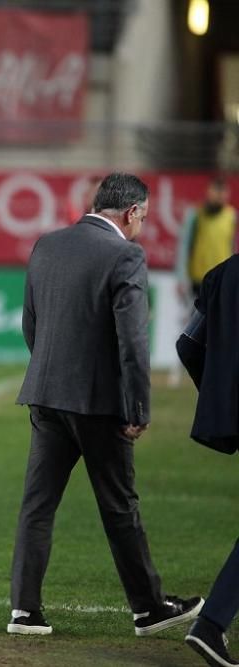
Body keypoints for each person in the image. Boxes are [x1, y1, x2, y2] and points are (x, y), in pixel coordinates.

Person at [8, 172, 203, 636]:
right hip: (98, 405)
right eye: (144, 217)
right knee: (120, 507)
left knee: (37, 506)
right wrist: (137, 407)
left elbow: (30, 324)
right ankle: (149, 608)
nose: (142, 226)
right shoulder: (126, 255)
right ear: (132, 212)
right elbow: (132, 342)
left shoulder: (47, 245)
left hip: (46, 398)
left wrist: (51, 376)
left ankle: (24, 612)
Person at [175, 255, 239, 666]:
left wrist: (220, 397)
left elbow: (187, 344)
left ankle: (212, 624)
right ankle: (211, 623)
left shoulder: (225, 272)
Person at [176, 177, 236, 300]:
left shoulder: (232, 216)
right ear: (208, 192)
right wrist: (181, 277)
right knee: (197, 318)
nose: (220, 196)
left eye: (223, 192)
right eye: (216, 191)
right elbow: (184, 246)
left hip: (222, 279)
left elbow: (233, 247)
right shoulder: (196, 214)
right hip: (199, 279)